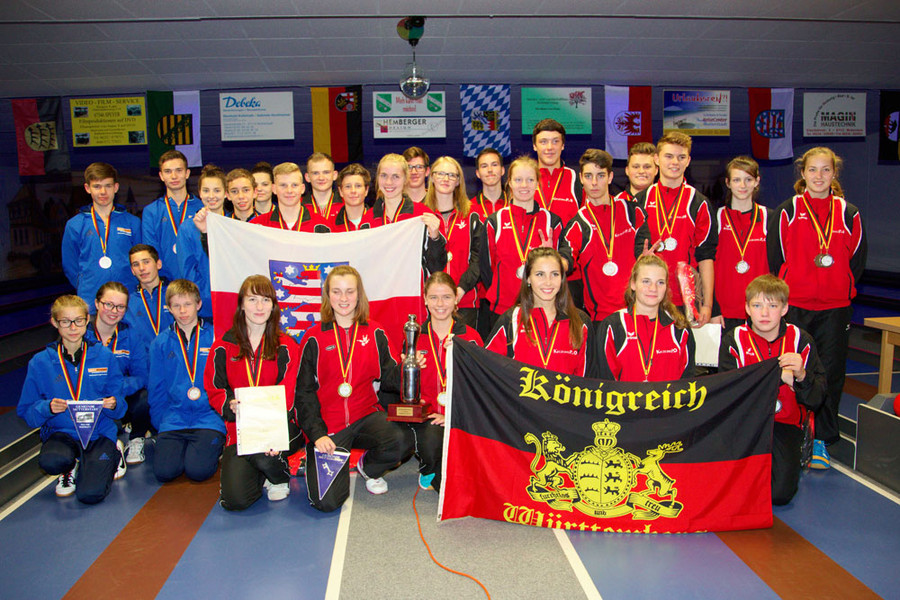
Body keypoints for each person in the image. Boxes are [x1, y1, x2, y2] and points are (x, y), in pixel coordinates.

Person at [768, 147, 866, 469]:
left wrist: (840, 284)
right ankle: (794, 431)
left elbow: (857, 260)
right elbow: (775, 258)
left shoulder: (849, 213)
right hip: (796, 306)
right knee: (792, 371)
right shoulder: (787, 211)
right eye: (813, 170)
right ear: (803, 173)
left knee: (831, 373)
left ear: (834, 174)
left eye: (826, 170)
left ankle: (821, 438)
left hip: (835, 308)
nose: (819, 176)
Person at [295, 266, 413, 511]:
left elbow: (390, 379)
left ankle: (368, 469)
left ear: (359, 294)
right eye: (336, 291)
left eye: (350, 291)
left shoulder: (375, 331)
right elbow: (304, 393)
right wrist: (317, 434)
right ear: (327, 295)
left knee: (403, 439)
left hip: (365, 416)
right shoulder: (313, 337)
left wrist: (407, 368)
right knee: (326, 503)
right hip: (329, 427)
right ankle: (315, 455)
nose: (344, 298)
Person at [719, 275, 825, 504]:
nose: (764, 313)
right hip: (744, 424)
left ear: (784, 309)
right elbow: (727, 395)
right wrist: (778, 377)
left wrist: (801, 376)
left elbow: (817, 399)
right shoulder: (733, 340)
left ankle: (791, 454)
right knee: (727, 489)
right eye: (757, 305)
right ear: (747, 308)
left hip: (784, 424)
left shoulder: (801, 341)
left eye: (773, 306)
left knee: (780, 495)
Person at [17, 295, 126, 504]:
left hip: (98, 433)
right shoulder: (40, 362)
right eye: (65, 321)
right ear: (54, 322)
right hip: (62, 433)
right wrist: (47, 407)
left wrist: (113, 404)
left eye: (78, 320)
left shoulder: (104, 356)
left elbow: (121, 406)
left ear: (87, 320)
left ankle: (114, 450)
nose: (73, 327)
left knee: (90, 495)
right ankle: (69, 466)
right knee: (52, 461)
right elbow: (26, 412)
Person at [205, 276, 300, 510]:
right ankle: (260, 470)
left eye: (265, 300)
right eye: (252, 299)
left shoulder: (286, 346)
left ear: (273, 306)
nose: (259, 306)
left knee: (263, 455)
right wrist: (229, 404)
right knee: (235, 501)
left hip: (279, 429)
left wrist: (271, 429)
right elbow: (215, 388)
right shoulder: (223, 346)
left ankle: (278, 476)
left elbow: (290, 391)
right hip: (240, 432)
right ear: (241, 304)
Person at [633, 133, 717, 326]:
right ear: (656, 159)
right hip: (648, 296)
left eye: (681, 157)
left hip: (686, 299)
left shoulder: (699, 203)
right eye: (669, 156)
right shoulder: (639, 201)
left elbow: (706, 257)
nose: (675, 162)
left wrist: (707, 305)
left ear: (688, 161)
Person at [410, 272, 483, 491]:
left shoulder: (471, 337)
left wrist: (452, 414)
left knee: (468, 476)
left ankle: (445, 467)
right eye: (433, 297)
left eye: (446, 297)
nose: (440, 304)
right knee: (432, 441)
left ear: (456, 299)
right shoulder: (414, 337)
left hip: (461, 416)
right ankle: (430, 466)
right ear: (425, 299)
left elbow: (480, 387)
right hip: (428, 417)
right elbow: (402, 386)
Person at [481, 156, 568, 335]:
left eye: (530, 180)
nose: (524, 185)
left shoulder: (552, 222)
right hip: (502, 309)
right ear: (509, 183)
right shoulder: (494, 222)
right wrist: (501, 291)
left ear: (537, 183)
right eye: (518, 180)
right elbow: (486, 269)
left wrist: (551, 255)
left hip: (541, 308)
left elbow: (564, 266)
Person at [148, 280, 224, 484]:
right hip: (174, 418)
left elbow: (226, 381)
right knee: (165, 472)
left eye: (188, 304)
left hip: (208, 417)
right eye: (176, 306)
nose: (182, 311)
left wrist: (222, 416)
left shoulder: (216, 337)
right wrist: (161, 423)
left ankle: (213, 448)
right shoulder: (160, 343)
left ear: (198, 304)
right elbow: (156, 388)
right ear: (169, 308)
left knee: (198, 472)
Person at [563, 149, 645, 323]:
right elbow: (566, 258)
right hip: (600, 319)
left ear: (610, 177)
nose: (594, 182)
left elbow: (646, 248)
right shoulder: (577, 224)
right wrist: (552, 260)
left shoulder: (632, 212)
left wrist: (647, 259)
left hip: (637, 312)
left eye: (600, 175)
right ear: (581, 178)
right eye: (588, 176)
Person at [486, 248, 591, 376]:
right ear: (528, 278)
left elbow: (588, 379)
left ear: (562, 278)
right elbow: (487, 370)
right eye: (540, 274)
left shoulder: (580, 322)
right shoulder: (510, 320)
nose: (548, 282)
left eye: (555, 274)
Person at [596, 255, 695, 381]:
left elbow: (687, 383)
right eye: (646, 281)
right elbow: (605, 383)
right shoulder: (612, 326)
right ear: (633, 284)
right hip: (623, 395)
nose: (653, 289)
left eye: (660, 282)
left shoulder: (680, 328)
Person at [85, 282, 150, 465]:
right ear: (97, 303)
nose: (114, 311)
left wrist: (118, 387)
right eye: (108, 304)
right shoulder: (81, 335)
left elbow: (142, 376)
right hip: (90, 397)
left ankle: (136, 437)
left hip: (120, 395)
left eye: (120, 306)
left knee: (145, 398)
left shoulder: (130, 335)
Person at [62, 162, 141, 309]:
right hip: (91, 300)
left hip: (128, 298)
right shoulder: (75, 225)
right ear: (87, 188)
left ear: (116, 187)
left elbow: (140, 260)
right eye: (97, 186)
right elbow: (70, 265)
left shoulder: (133, 222)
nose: (103, 192)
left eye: (108, 186)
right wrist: (85, 286)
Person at [361, 153, 447, 277]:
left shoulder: (422, 215)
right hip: (381, 287)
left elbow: (437, 266)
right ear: (377, 178)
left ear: (406, 179)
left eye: (396, 176)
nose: (389, 182)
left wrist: (435, 238)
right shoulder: (368, 220)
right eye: (384, 175)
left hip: (414, 287)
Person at [712, 156, 772, 332]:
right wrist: (713, 308)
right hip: (723, 313)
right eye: (737, 180)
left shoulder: (770, 218)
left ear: (757, 181)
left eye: (748, 179)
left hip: (760, 311)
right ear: (728, 183)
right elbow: (705, 267)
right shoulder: (716, 218)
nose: (743, 185)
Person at [423, 156, 483, 327]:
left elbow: (479, 260)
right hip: (433, 302)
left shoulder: (474, 215)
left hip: (466, 300)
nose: (446, 179)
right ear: (432, 177)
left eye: (451, 175)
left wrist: (461, 289)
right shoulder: (422, 216)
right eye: (440, 173)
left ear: (458, 181)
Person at [141, 150, 203, 281]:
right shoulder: (151, 212)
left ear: (187, 173)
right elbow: (151, 253)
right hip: (165, 283)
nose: (174, 176)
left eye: (179, 170)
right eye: (168, 171)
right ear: (161, 176)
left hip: (197, 282)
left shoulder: (202, 208)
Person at [178, 164, 228, 319]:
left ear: (226, 193)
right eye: (206, 190)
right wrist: (202, 298)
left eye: (217, 190)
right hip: (202, 304)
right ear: (199, 193)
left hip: (231, 299)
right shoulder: (187, 228)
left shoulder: (233, 224)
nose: (211, 196)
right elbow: (187, 270)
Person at [251, 162, 330, 232]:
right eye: (283, 185)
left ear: (302, 189)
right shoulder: (257, 226)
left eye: (294, 185)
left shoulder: (321, 225)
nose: (289, 190)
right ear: (274, 189)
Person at [125, 244, 173, 351]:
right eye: (136, 264)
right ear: (132, 271)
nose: (141, 268)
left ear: (158, 264)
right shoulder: (127, 303)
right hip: (142, 359)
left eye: (146, 262)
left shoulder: (175, 295)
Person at [330, 163, 371, 231]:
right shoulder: (330, 226)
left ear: (366, 190)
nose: (353, 191)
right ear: (340, 191)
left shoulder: (379, 222)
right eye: (348, 186)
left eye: (358, 186)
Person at [303, 152, 341, 221]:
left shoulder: (347, 204)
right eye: (315, 173)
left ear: (334, 175)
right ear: (307, 177)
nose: (321, 178)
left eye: (326, 172)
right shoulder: (298, 206)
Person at [471, 147, 507, 216]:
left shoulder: (514, 204)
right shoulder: (469, 209)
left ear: (502, 170)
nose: (490, 170)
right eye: (484, 166)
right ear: (478, 173)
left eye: (494, 165)